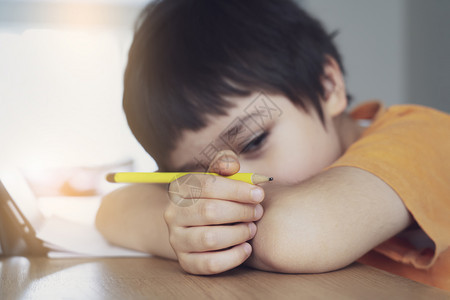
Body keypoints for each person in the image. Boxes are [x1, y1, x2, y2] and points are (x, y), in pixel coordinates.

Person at [95, 0, 450, 291]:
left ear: (328, 87)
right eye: (204, 177)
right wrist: (186, 230)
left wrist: (195, 230)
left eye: (254, 140)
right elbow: (112, 208)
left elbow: (292, 233)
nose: (233, 180)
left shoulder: (426, 137)